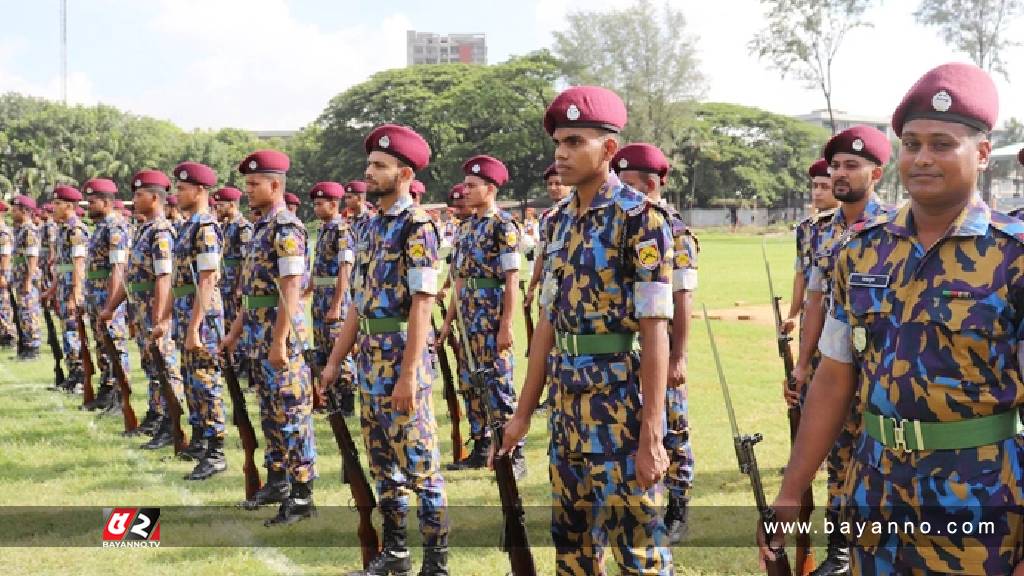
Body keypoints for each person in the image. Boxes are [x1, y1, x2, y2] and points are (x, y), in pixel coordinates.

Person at [765, 62, 1024, 575]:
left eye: (942, 144)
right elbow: (835, 376)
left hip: (978, 498)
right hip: (875, 493)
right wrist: (791, 491)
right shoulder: (860, 252)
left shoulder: (1012, 257)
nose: (922, 158)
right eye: (912, 144)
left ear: (982, 154)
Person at [499, 86, 674, 575]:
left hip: (619, 409)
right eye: (559, 142)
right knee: (572, 546)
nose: (561, 153)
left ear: (609, 149)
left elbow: (655, 331)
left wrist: (652, 434)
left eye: (575, 141)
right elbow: (547, 324)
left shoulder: (641, 220)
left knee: (637, 548)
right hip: (566, 409)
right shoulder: (555, 222)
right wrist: (522, 414)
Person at [321, 124, 450, 575]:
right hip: (369, 362)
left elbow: (422, 304)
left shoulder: (418, 227)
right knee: (382, 466)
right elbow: (358, 302)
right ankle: (395, 554)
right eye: (370, 164)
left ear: (405, 174)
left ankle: (436, 564)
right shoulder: (368, 225)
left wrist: (410, 375)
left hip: (401, 361)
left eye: (379, 165)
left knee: (421, 467)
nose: (369, 172)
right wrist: (335, 362)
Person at [784, 125, 893, 576]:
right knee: (836, 455)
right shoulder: (822, 233)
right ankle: (840, 551)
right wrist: (802, 364)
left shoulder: (894, 229)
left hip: (877, 369)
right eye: (836, 167)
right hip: (831, 366)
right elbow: (814, 302)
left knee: (876, 459)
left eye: (852, 165)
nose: (840, 174)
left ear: (876, 173)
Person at [221, 150, 317, 526]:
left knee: (292, 413)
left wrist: (279, 342)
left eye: (254, 183)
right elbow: (253, 293)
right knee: (270, 412)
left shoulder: (286, 228)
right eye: (246, 183)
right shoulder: (262, 227)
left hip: (281, 336)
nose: (248, 189)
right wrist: (234, 332)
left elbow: (291, 289)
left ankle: (302, 493)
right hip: (258, 334)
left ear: (275, 185)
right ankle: (278, 480)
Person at [612, 142, 699, 545]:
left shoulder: (675, 232)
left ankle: (678, 504)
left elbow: (683, 299)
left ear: (650, 185)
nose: (621, 191)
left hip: (663, 346)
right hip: (633, 349)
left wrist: (678, 355)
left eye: (628, 183)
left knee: (673, 423)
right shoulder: (622, 224)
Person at [438, 155, 526, 478]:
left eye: (472, 186)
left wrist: (506, 326)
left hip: (491, 316)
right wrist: (448, 323)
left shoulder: (504, 225)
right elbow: (459, 280)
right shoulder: (466, 228)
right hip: (467, 319)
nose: (465, 191)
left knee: (498, 383)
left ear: (490, 189)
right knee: (470, 383)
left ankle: (514, 452)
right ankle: (481, 444)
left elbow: (512, 279)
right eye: (465, 185)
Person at [109, 170, 186, 450]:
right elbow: (130, 278)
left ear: (155, 198)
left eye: (139, 194)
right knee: (152, 366)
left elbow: (164, 278)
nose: (134, 200)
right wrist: (111, 309)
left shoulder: (162, 232)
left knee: (165, 365)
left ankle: (171, 422)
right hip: (141, 310)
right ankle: (157, 415)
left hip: (154, 310)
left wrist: (161, 319)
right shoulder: (144, 230)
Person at [170, 161, 228, 480]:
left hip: (202, 316)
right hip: (186, 310)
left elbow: (207, 280)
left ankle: (216, 450)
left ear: (200, 190)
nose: (177, 193)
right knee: (191, 380)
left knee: (205, 382)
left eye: (182, 188)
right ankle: (201, 440)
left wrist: (194, 327)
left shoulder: (205, 227)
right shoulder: (188, 225)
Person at [305, 181, 356, 415]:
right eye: (314, 204)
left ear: (334, 204)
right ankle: (330, 397)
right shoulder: (324, 229)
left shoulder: (342, 230)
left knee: (338, 346)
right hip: (320, 299)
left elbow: (345, 269)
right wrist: (308, 291)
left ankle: (347, 399)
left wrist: (336, 305)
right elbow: (318, 267)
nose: (316, 208)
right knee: (323, 347)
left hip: (335, 297)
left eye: (320, 204)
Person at [82, 178, 132, 417]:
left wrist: (111, 305)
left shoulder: (116, 227)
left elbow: (118, 269)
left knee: (115, 344)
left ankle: (121, 397)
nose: (88, 206)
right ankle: (107, 389)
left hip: (108, 295)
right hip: (96, 294)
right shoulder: (101, 227)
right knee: (102, 344)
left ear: (106, 202)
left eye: (92, 202)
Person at [782, 159, 840, 335]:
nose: (817, 192)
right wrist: (793, 315)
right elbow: (800, 274)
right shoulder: (805, 228)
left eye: (825, 187)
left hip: (838, 316)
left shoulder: (850, 225)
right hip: (809, 315)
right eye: (815, 186)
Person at [46, 185, 89, 395]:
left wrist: (75, 294)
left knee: (74, 332)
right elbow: (62, 265)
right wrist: (52, 289)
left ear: (69, 206)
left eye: (57, 204)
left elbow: (78, 264)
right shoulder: (63, 230)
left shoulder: (76, 230)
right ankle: (72, 375)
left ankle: (80, 378)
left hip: (72, 290)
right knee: (66, 332)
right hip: (63, 289)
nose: (53, 207)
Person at [213, 186, 253, 375]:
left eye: (221, 205)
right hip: (225, 283)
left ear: (231, 204)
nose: (217, 208)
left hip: (235, 283)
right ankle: (232, 360)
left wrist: (240, 286)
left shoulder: (243, 227)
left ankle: (243, 363)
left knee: (239, 324)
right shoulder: (226, 226)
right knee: (228, 322)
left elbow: (246, 260)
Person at [9, 195, 42, 360]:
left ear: (25, 211)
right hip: (19, 277)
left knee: (29, 312)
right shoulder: (20, 229)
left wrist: (28, 280)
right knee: (22, 313)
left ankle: (32, 347)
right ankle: (24, 346)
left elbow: (32, 257)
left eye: (15, 210)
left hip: (26, 279)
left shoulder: (29, 230)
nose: (12, 213)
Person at [0, 201, 15, 349]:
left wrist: (3, 275)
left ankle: (8, 336)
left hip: (1, 274)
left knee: (3, 305)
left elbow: (5, 255)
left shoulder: (3, 232)